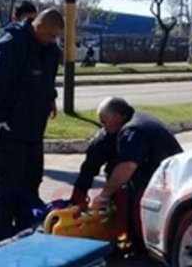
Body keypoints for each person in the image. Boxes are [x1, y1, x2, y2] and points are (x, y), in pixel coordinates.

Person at [0, 8, 64, 240]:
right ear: (37, 26)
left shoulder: (51, 50)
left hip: (34, 127)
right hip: (8, 126)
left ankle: (26, 227)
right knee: (8, 181)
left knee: (31, 178)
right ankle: (5, 231)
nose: (51, 41)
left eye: (55, 37)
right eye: (48, 35)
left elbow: (48, 79)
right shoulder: (11, 45)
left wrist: (51, 99)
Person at [70, 96, 183, 251]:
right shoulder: (107, 135)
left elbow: (127, 167)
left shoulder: (134, 130)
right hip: (154, 172)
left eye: (104, 122)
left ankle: (139, 242)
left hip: (166, 178)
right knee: (115, 178)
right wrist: (78, 196)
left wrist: (105, 194)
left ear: (117, 118)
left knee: (125, 190)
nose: (102, 126)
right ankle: (125, 234)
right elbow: (90, 166)